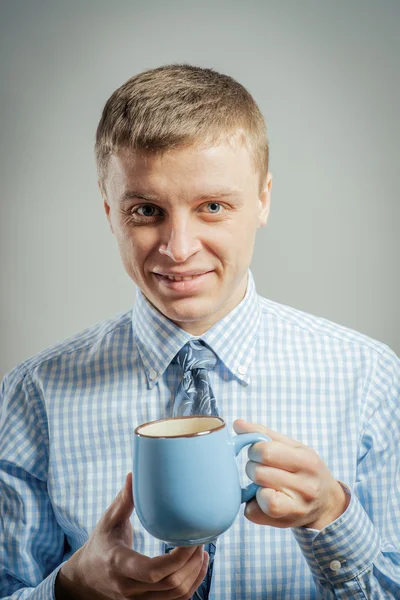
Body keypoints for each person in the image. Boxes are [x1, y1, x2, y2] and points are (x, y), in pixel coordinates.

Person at [0, 64, 399, 600]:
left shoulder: (369, 377)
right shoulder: (35, 393)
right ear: (109, 212)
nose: (179, 247)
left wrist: (333, 516)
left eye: (213, 206)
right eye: (146, 211)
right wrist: (71, 588)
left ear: (263, 199)